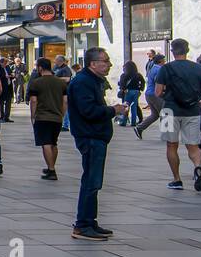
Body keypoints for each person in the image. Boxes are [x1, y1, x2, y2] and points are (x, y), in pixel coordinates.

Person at [68, 47, 128, 241]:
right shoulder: (83, 82)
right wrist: (113, 110)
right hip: (90, 136)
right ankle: (83, 224)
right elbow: (88, 111)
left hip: (95, 136)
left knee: (94, 182)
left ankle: (89, 221)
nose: (109, 64)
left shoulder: (90, 80)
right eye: (105, 60)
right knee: (91, 182)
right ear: (93, 64)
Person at [155, 38, 201, 192]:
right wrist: (200, 103)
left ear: (172, 51)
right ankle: (197, 168)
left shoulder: (165, 69)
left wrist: (169, 97)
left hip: (169, 111)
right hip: (193, 111)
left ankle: (177, 179)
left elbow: (157, 92)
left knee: (171, 145)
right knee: (193, 146)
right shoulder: (199, 68)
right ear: (187, 50)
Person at [27, 58, 68, 180]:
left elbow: (33, 101)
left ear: (40, 68)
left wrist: (33, 116)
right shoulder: (61, 83)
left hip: (42, 116)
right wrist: (62, 114)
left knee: (46, 143)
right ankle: (51, 166)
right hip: (57, 117)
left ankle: (51, 170)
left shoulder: (36, 82)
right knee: (54, 143)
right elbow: (65, 100)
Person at [133, 54, 166, 138]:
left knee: (155, 115)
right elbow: (158, 81)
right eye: (164, 60)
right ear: (161, 61)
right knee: (164, 113)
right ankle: (166, 134)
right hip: (155, 94)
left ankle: (139, 128)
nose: (165, 61)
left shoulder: (153, 68)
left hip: (149, 94)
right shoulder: (159, 69)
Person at [116, 61, 144, 127]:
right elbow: (143, 82)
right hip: (136, 92)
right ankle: (133, 122)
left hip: (128, 92)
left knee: (125, 107)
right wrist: (140, 90)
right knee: (134, 107)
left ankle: (123, 122)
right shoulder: (138, 75)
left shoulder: (124, 75)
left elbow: (122, 83)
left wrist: (124, 89)